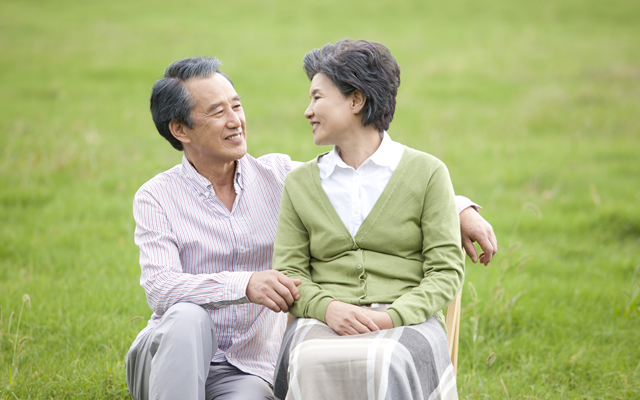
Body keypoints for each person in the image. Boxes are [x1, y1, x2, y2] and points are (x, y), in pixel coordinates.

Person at [126, 56, 497, 400]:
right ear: (180, 129)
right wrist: (245, 283)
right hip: (168, 358)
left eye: (236, 106)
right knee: (188, 316)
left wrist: (459, 208)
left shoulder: (279, 177)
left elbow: (363, 179)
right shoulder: (156, 197)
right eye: (217, 112)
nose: (235, 120)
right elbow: (161, 289)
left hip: (246, 369)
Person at [272, 39, 466, 400]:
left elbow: (445, 272)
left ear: (356, 100)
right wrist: (328, 309)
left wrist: (390, 317)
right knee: (308, 360)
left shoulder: (428, 172)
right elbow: (289, 274)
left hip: (407, 319)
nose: (307, 111)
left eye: (317, 97)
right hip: (322, 320)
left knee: (385, 358)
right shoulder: (299, 184)